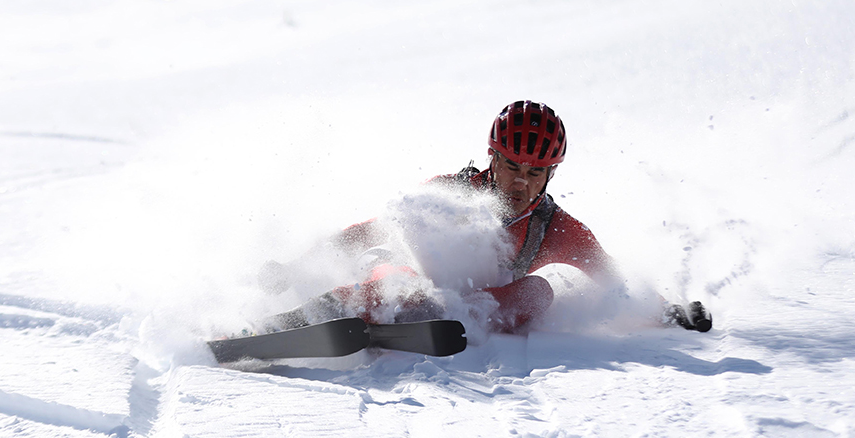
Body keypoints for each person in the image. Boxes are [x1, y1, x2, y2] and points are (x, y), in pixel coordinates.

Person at [258, 100, 711, 334]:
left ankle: (449, 321)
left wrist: (672, 314)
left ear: (552, 173)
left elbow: (617, 286)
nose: (521, 183)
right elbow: (372, 230)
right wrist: (295, 267)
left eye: (536, 173)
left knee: (539, 291)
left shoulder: (557, 230)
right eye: (512, 166)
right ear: (492, 158)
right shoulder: (449, 194)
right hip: (404, 282)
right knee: (395, 279)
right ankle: (289, 326)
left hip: (475, 313)